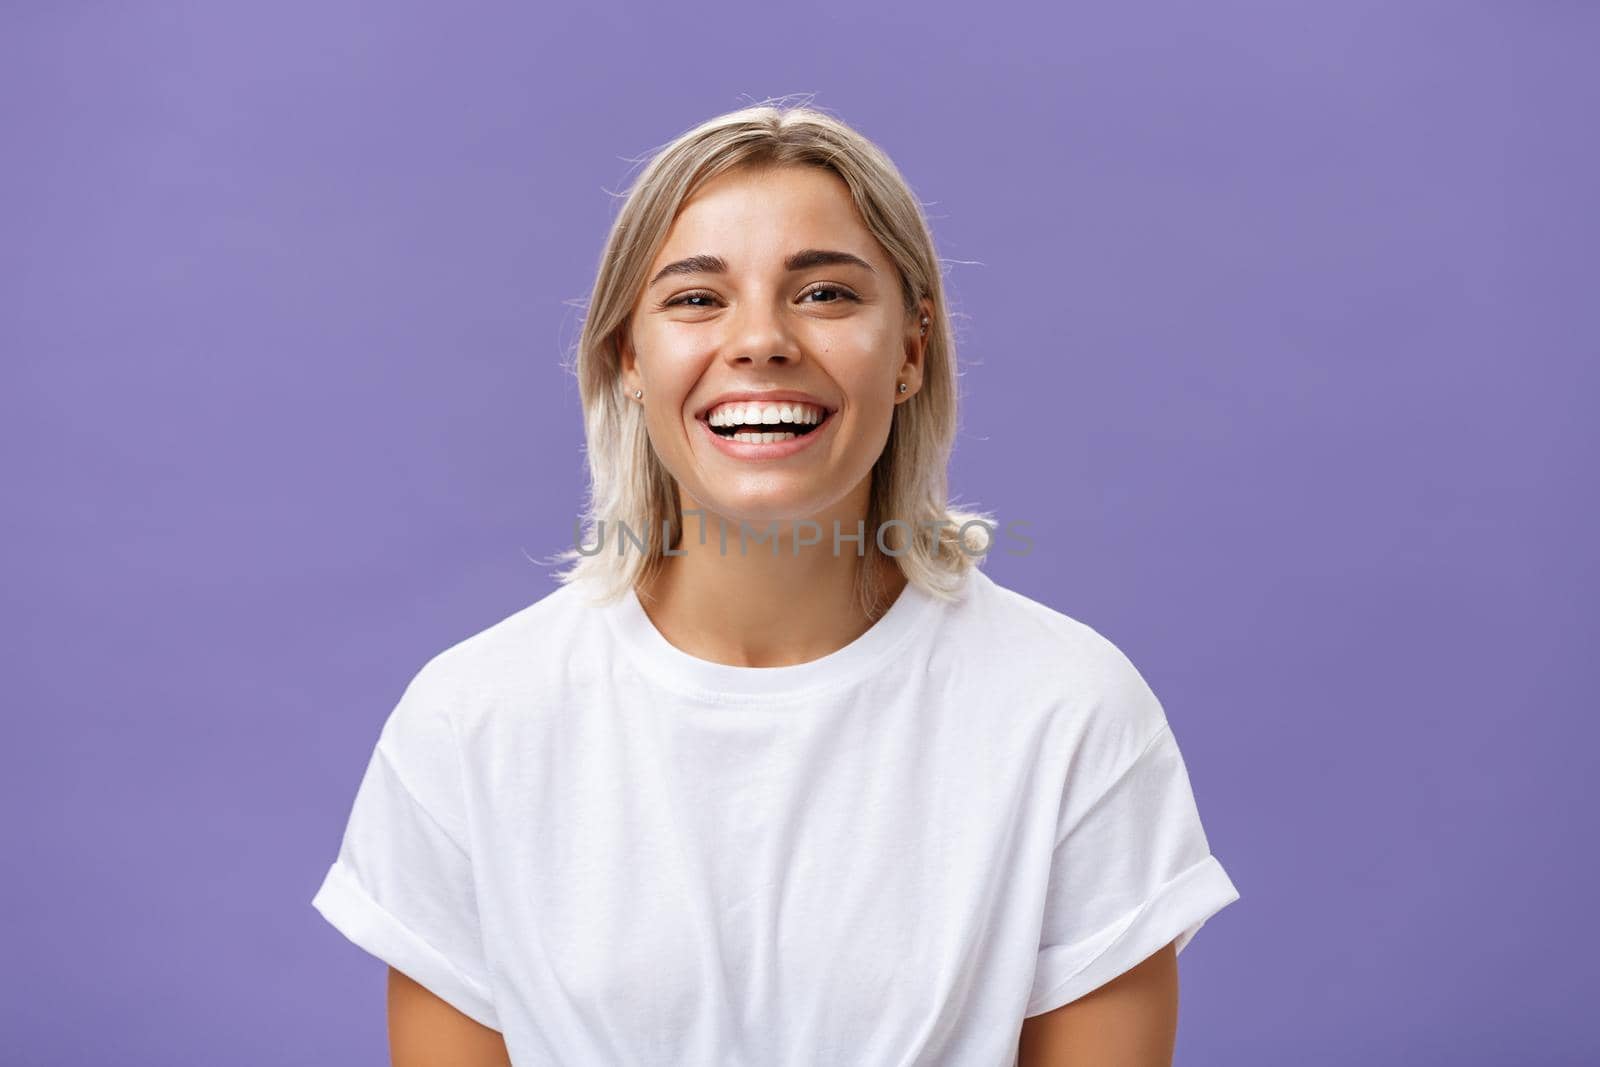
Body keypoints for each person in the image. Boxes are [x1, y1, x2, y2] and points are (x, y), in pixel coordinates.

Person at [311, 102, 1241, 1066]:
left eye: (827, 294)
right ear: (628, 357)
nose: (760, 340)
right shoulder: (471, 721)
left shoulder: (1071, 711)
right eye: (696, 299)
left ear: (911, 353)